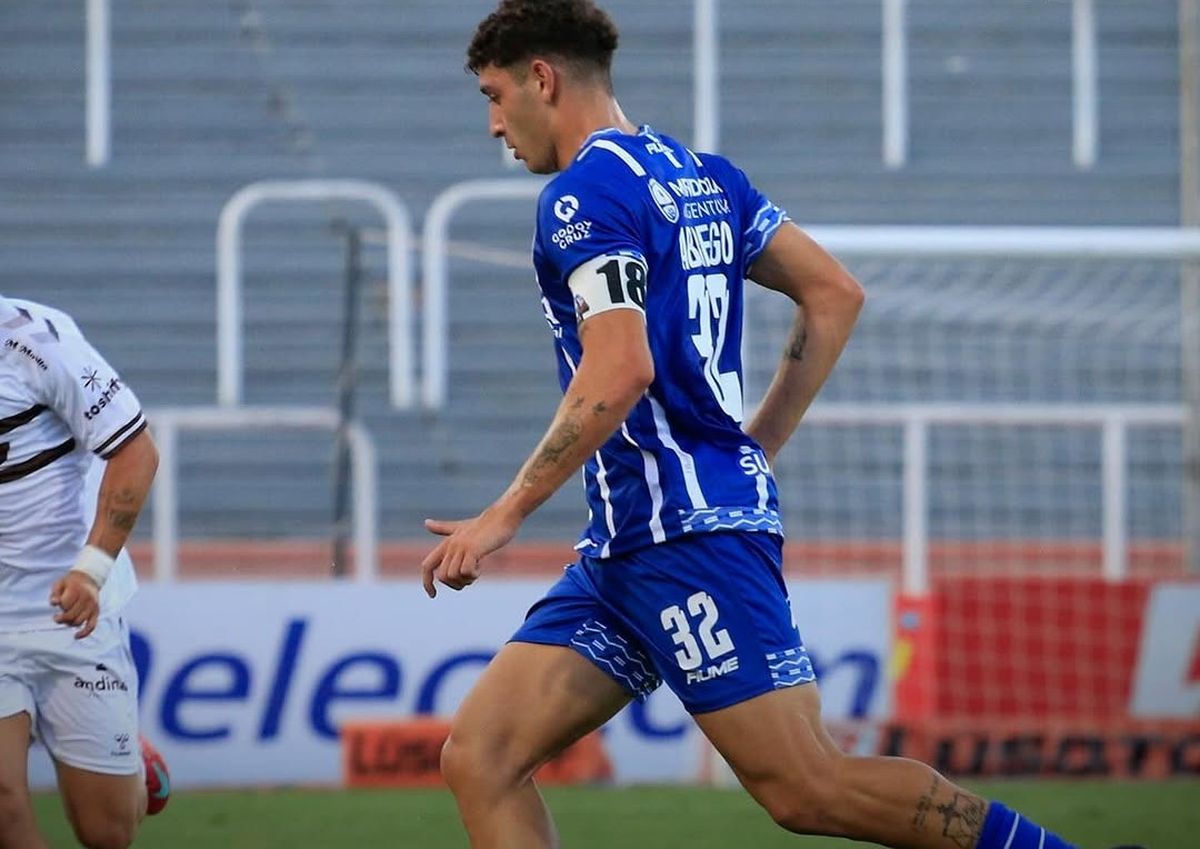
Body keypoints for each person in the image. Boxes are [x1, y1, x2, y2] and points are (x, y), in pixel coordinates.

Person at [422, 3, 1139, 849]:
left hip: (685, 540)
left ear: (542, 78)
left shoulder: (581, 195)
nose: (494, 124)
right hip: (627, 547)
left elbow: (618, 369)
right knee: (482, 755)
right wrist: (753, 448)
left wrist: (505, 512)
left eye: (495, 95)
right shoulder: (705, 177)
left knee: (807, 787)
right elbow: (834, 293)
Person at [0, 296, 170, 849]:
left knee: (106, 832)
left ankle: (135, 771)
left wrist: (92, 570)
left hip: (70, 604)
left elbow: (136, 453)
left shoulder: (35, 342)